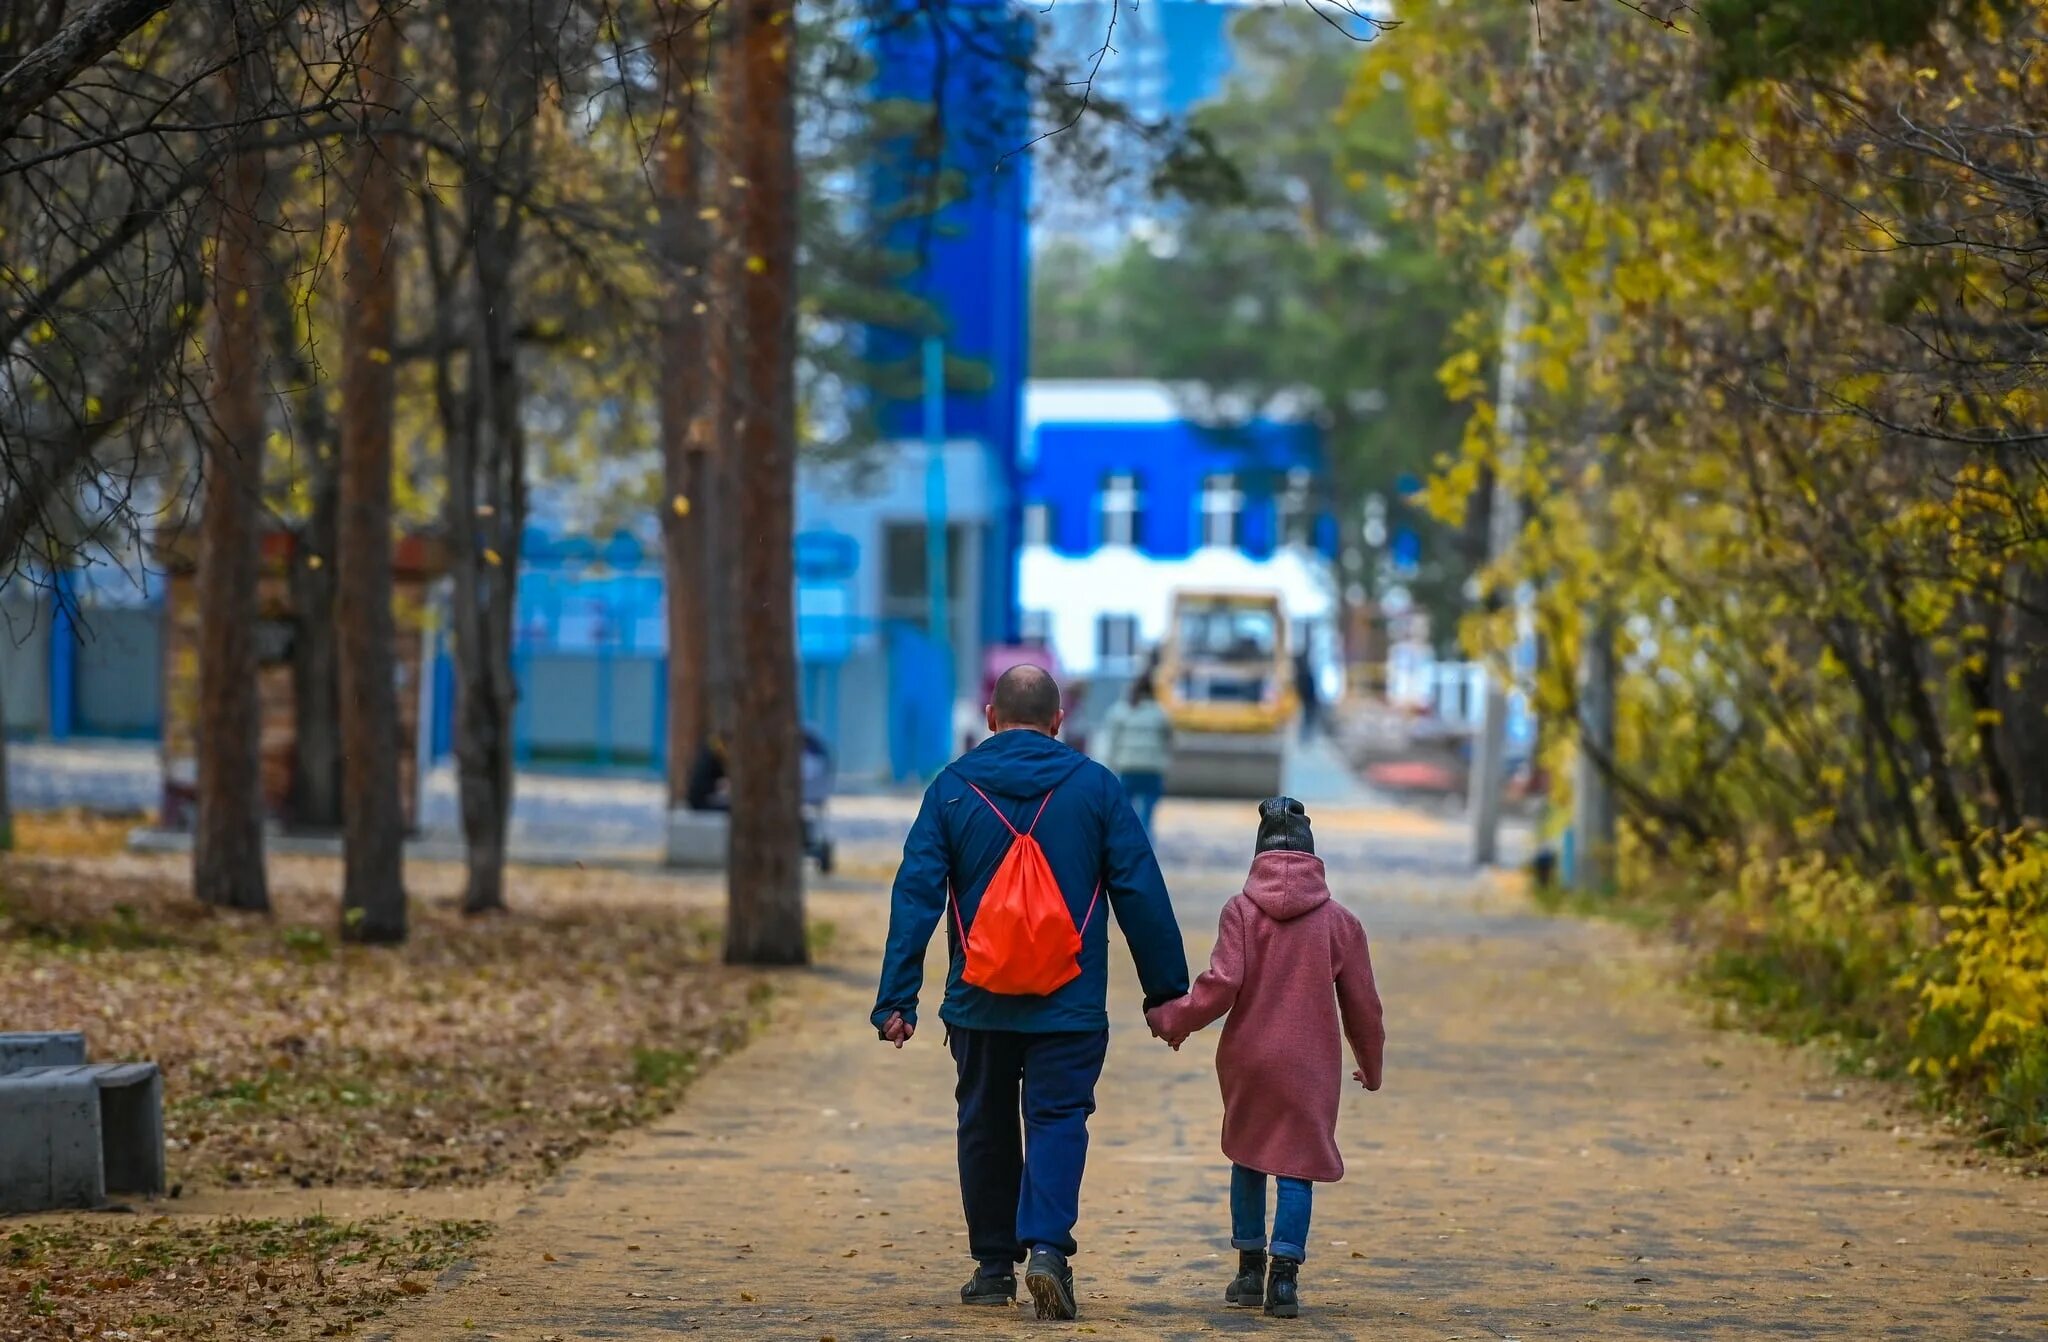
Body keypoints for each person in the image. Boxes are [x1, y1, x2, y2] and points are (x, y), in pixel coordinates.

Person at [872, 664, 1190, 1321]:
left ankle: (992, 1269)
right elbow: (1139, 887)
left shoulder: (952, 788)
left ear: (990, 717)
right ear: (1058, 722)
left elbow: (917, 894)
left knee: (985, 1123)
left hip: (979, 999)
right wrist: (1166, 992)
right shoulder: (1096, 788)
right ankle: (1047, 1248)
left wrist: (896, 998)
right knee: (1057, 1118)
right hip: (1068, 1002)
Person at [1146, 797, 1385, 1320]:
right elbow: (1363, 1006)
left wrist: (1174, 1021)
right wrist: (1371, 1063)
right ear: (1312, 858)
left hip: (1248, 1059)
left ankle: (1248, 1269)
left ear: (1259, 857)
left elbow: (1220, 985)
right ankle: (1284, 1281)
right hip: (1310, 1066)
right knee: (1297, 1166)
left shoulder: (1240, 911)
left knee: (1249, 1155)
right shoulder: (1340, 924)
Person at [1095, 672, 1173, 834]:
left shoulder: (1119, 711)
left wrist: (1108, 767)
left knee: (1123, 815)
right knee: (1147, 818)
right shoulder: (1160, 713)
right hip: (1152, 770)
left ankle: (1124, 852)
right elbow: (1169, 740)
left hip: (1127, 768)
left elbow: (1111, 742)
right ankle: (1147, 851)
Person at [1294, 649, 1323, 742]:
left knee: (1308, 720)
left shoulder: (1303, 674)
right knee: (1307, 720)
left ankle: (1307, 738)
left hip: (1308, 701)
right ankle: (1306, 738)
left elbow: (1308, 688)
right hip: (1307, 701)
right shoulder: (1304, 674)